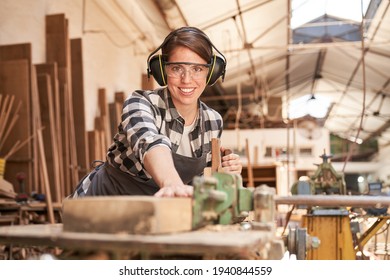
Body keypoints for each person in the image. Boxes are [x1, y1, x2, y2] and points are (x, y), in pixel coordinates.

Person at [71, 26, 242, 198]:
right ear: (161, 70)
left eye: (197, 69)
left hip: (154, 209)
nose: (187, 79)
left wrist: (225, 172)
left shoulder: (213, 121)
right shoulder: (140, 104)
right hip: (104, 201)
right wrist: (172, 184)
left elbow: (200, 181)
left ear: (211, 72)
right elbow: (151, 143)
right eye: (176, 68)